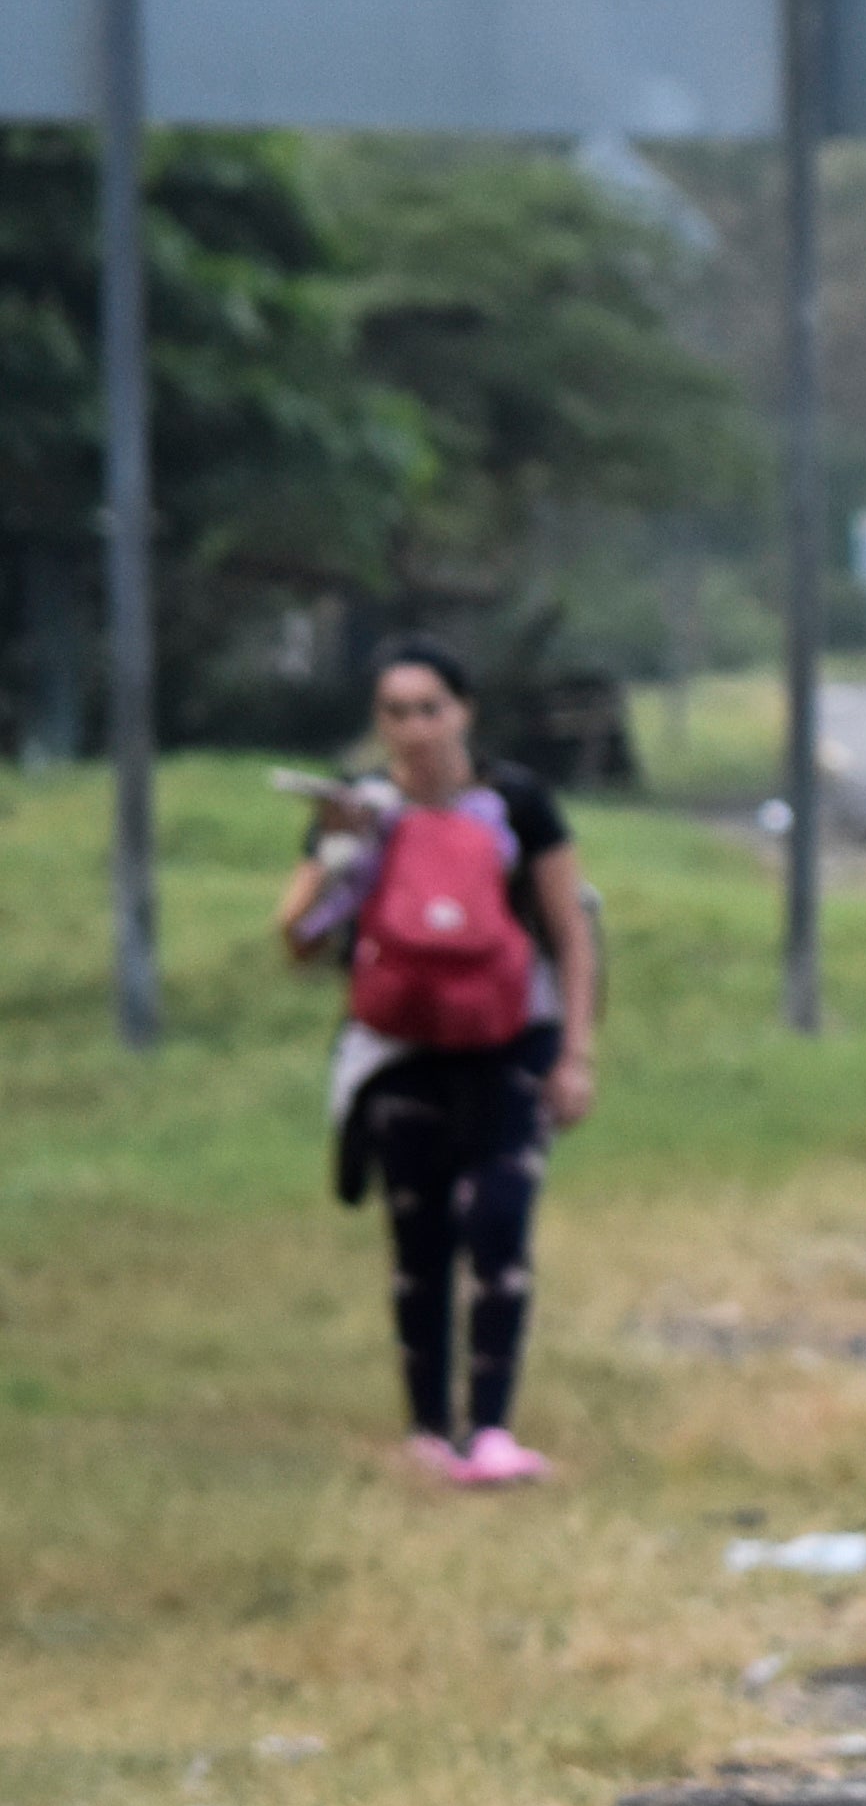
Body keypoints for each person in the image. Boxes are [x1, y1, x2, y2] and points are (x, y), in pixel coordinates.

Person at [278, 635, 602, 1487]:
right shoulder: (360, 810)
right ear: (378, 721)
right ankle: (428, 1427)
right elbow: (298, 939)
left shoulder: (518, 804)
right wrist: (339, 847)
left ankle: (491, 1428)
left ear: (464, 712)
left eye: (431, 708)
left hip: (507, 1044)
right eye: (396, 711)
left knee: (499, 1225)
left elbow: (571, 930)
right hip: (400, 1051)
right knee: (418, 1237)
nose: (415, 727)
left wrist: (575, 1052)